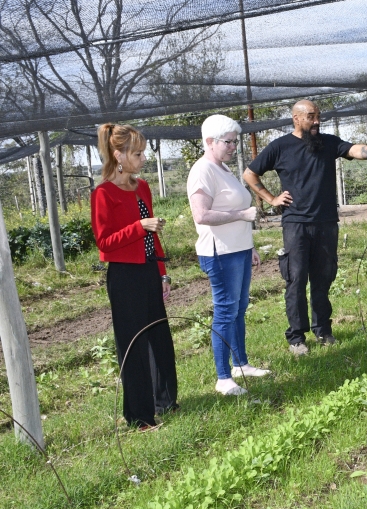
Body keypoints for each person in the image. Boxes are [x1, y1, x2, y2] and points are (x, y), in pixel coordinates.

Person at [243, 99, 367, 356]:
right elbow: (250, 174)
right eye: (311, 116)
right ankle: (296, 338)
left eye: (318, 116)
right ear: (296, 118)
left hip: (326, 223)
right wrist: (271, 199)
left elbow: (356, 149)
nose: (317, 121)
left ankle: (323, 330)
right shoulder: (280, 147)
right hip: (296, 224)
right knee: (296, 280)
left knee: (323, 278)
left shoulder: (328, 142)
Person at [91, 123, 178, 429]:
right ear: (118, 155)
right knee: (134, 346)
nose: (143, 159)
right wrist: (138, 227)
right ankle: (139, 417)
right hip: (125, 276)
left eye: (143, 153)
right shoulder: (103, 193)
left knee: (160, 338)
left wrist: (162, 274)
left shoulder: (142, 187)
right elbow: (104, 243)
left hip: (149, 270)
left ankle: (166, 402)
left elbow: (153, 237)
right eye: (137, 154)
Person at [188, 114, 270, 396]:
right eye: (228, 142)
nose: (234, 147)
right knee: (225, 312)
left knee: (238, 309)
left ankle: (241, 364)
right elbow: (202, 215)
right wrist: (242, 215)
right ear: (210, 141)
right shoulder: (203, 170)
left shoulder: (222, 168)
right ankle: (223, 378)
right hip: (221, 253)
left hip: (239, 250)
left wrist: (250, 246)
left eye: (235, 142)